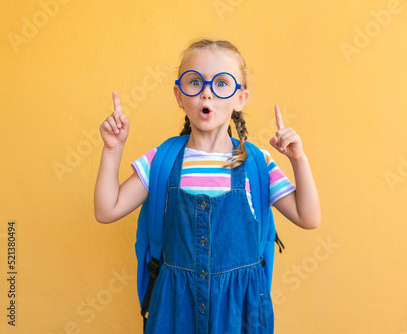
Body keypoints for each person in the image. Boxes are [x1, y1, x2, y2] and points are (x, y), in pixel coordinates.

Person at [94, 39, 321, 334]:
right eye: (194, 82)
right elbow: (106, 210)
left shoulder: (257, 163)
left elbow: (309, 217)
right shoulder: (162, 160)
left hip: (241, 313)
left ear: (241, 98)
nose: (206, 93)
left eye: (222, 84)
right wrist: (113, 150)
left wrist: (298, 159)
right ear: (179, 95)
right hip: (174, 311)